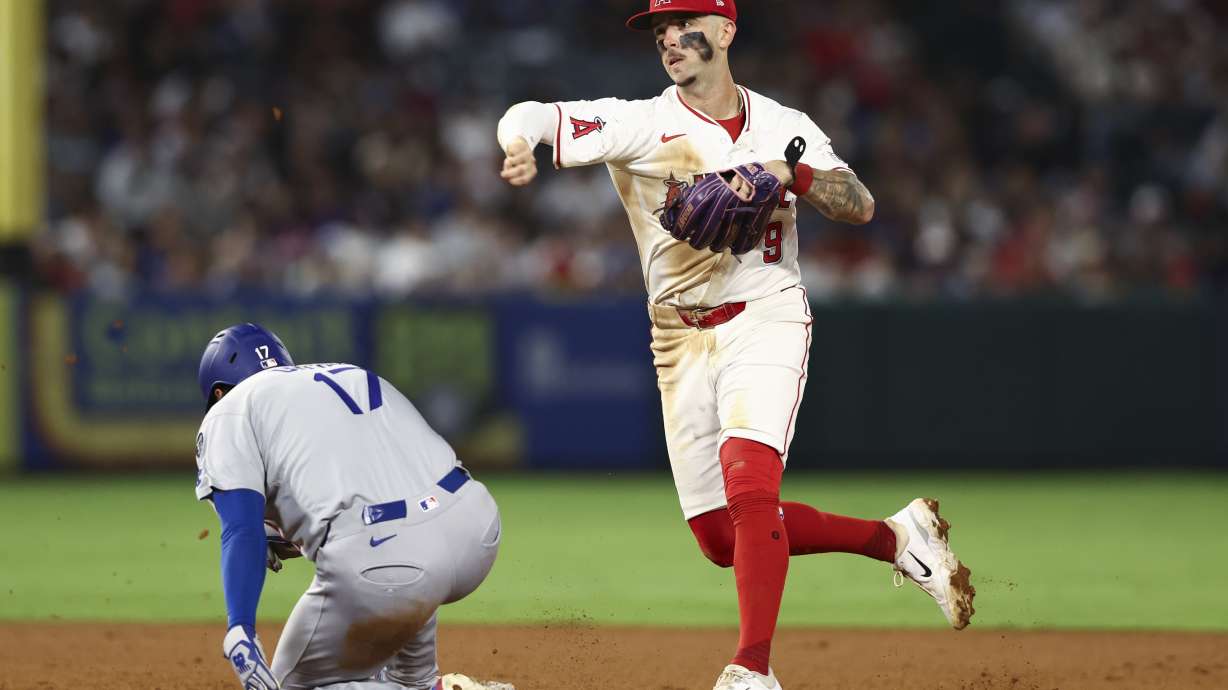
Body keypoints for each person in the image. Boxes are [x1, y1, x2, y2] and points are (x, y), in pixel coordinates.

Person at [495, 2, 975, 689]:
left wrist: (790, 175)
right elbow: (537, 114)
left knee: (752, 486)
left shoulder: (786, 127)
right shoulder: (642, 123)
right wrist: (518, 141)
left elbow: (859, 203)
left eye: (685, 24)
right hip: (677, 337)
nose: (669, 39)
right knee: (721, 538)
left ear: (725, 32)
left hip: (765, 313)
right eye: (659, 30)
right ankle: (897, 538)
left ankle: (752, 669)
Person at [194, 323, 512, 690]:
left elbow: (240, 529)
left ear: (218, 391)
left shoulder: (230, 408)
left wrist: (240, 628)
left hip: (393, 563)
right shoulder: (346, 375)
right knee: (409, 672)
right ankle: (426, 684)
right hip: (474, 525)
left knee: (295, 685)